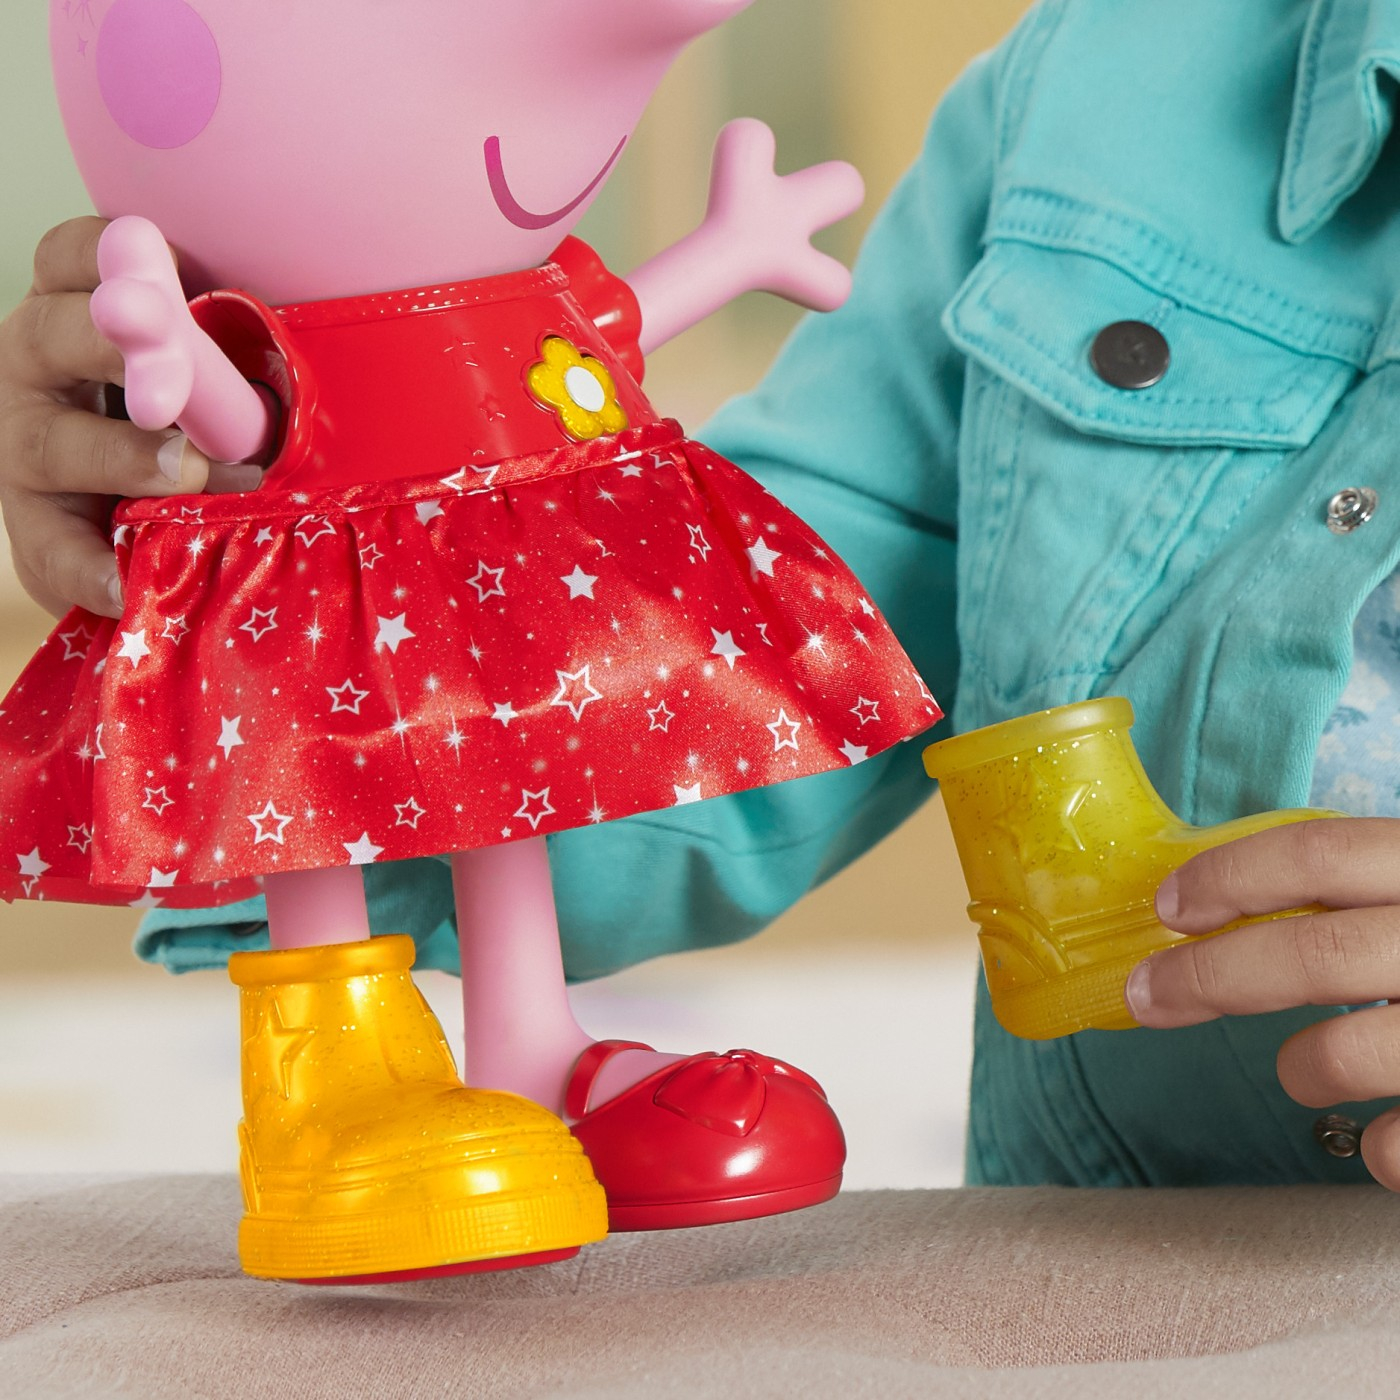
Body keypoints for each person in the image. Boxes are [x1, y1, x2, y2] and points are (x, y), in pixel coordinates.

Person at [5, 0, 1400, 1192]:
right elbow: (721, 656)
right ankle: (439, 1063)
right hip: (1104, 1273)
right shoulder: (1103, 84)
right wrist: (199, 534)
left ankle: (532, 1054)